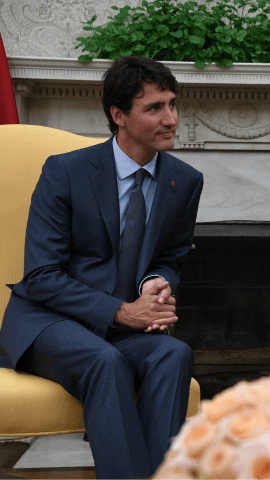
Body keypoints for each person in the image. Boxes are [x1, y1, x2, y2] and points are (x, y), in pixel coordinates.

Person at [0, 56, 204, 478]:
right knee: (104, 362)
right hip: (48, 321)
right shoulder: (66, 171)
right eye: (154, 108)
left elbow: (171, 257)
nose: (171, 119)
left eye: (173, 104)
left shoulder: (184, 180)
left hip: (122, 329)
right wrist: (121, 310)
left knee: (173, 353)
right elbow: (41, 276)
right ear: (119, 115)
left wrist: (155, 285)